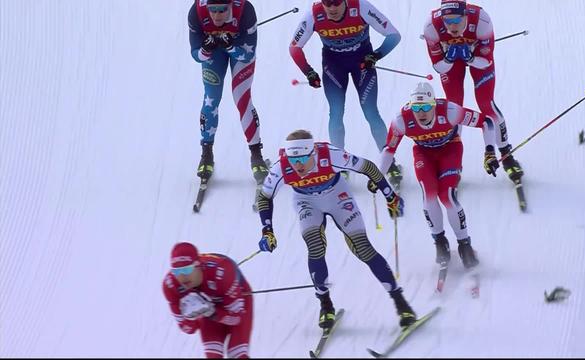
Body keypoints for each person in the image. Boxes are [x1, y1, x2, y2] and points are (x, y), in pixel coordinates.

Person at [254, 129, 416, 330]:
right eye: (293, 160)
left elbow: (368, 167)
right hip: (306, 201)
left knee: (363, 248)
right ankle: (325, 305)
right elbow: (264, 197)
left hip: (337, 196)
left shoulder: (330, 155)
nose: (298, 165)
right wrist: (267, 230)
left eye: (303, 158)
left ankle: (400, 302)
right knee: (315, 247)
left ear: (312, 153)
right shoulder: (281, 167)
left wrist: (390, 196)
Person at [374, 82, 500, 269]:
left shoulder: (449, 111)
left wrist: (489, 152)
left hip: (450, 150)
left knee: (447, 196)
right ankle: (440, 242)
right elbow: (389, 149)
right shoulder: (401, 119)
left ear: (434, 104)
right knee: (429, 196)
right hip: (424, 154)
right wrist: (377, 176)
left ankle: (464, 244)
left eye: (426, 107)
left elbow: (486, 122)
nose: (422, 113)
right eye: (417, 108)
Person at [289, 0, 403, 187]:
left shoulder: (360, 7)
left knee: (371, 112)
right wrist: (308, 71)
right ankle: (339, 164)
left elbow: (394, 35)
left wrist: (376, 55)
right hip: (334, 67)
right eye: (328, 3)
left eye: (336, 3)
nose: (332, 8)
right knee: (336, 112)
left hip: (362, 64)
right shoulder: (314, 13)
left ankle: (389, 163)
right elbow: (294, 47)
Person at [422, 0, 524, 184]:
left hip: (477, 57)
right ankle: (451, 164)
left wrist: (469, 56)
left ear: (466, 16)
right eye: (447, 21)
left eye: (456, 21)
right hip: (450, 61)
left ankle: (507, 156)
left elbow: (486, 61)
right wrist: (450, 58)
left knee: (486, 104)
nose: (452, 26)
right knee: (454, 106)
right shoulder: (431, 26)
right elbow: (439, 67)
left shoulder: (481, 20)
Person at [188, 0, 268, 184]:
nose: (216, 15)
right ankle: (206, 154)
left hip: (239, 51)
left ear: (231, 5)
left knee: (241, 97)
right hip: (214, 54)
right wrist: (206, 49)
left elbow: (248, 54)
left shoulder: (245, 10)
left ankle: (256, 155)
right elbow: (195, 55)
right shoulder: (197, 11)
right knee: (211, 98)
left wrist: (231, 46)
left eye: (222, 10)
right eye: (213, 10)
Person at [162, 242, 253, 358]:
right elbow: (188, 329)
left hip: (237, 301)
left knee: (237, 354)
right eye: (176, 271)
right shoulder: (170, 285)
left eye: (187, 270)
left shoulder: (222, 272)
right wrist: (190, 318)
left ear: (198, 265)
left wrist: (213, 313)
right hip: (209, 313)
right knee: (213, 356)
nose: (182, 277)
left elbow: (237, 319)